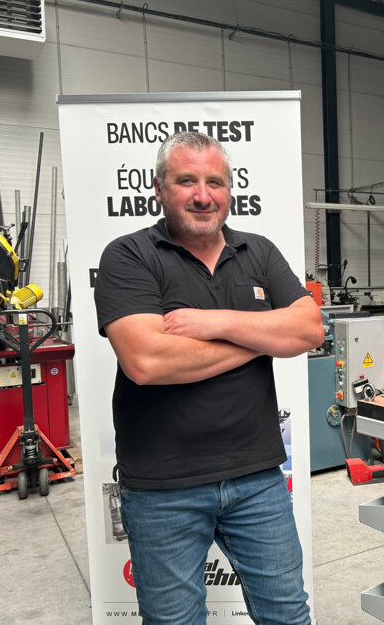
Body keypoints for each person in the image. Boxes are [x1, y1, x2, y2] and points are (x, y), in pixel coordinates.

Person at [94, 132, 323, 625]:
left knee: (288, 616)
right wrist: (261, 335)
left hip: (257, 477)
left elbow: (308, 328)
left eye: (214, 182)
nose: (203, 195)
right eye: (186, 181)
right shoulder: (129, 255)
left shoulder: (258, 251)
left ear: (229, 189)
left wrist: (214, 321)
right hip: (163, 487)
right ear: (158, 189)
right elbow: (146, 361)